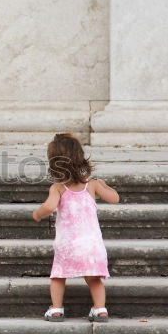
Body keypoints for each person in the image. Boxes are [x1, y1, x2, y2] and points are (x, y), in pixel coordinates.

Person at [31, 133, 119, 322]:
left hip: (68, 245)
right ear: (81, 157)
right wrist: (104, 186)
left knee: (58, 276)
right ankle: (100, 309)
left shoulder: (59, 188)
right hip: (91, 245)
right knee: (94, 278)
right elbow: (115, 198)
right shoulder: (92, 185)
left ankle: (56, 309)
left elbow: (48, 206)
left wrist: (37, 214)